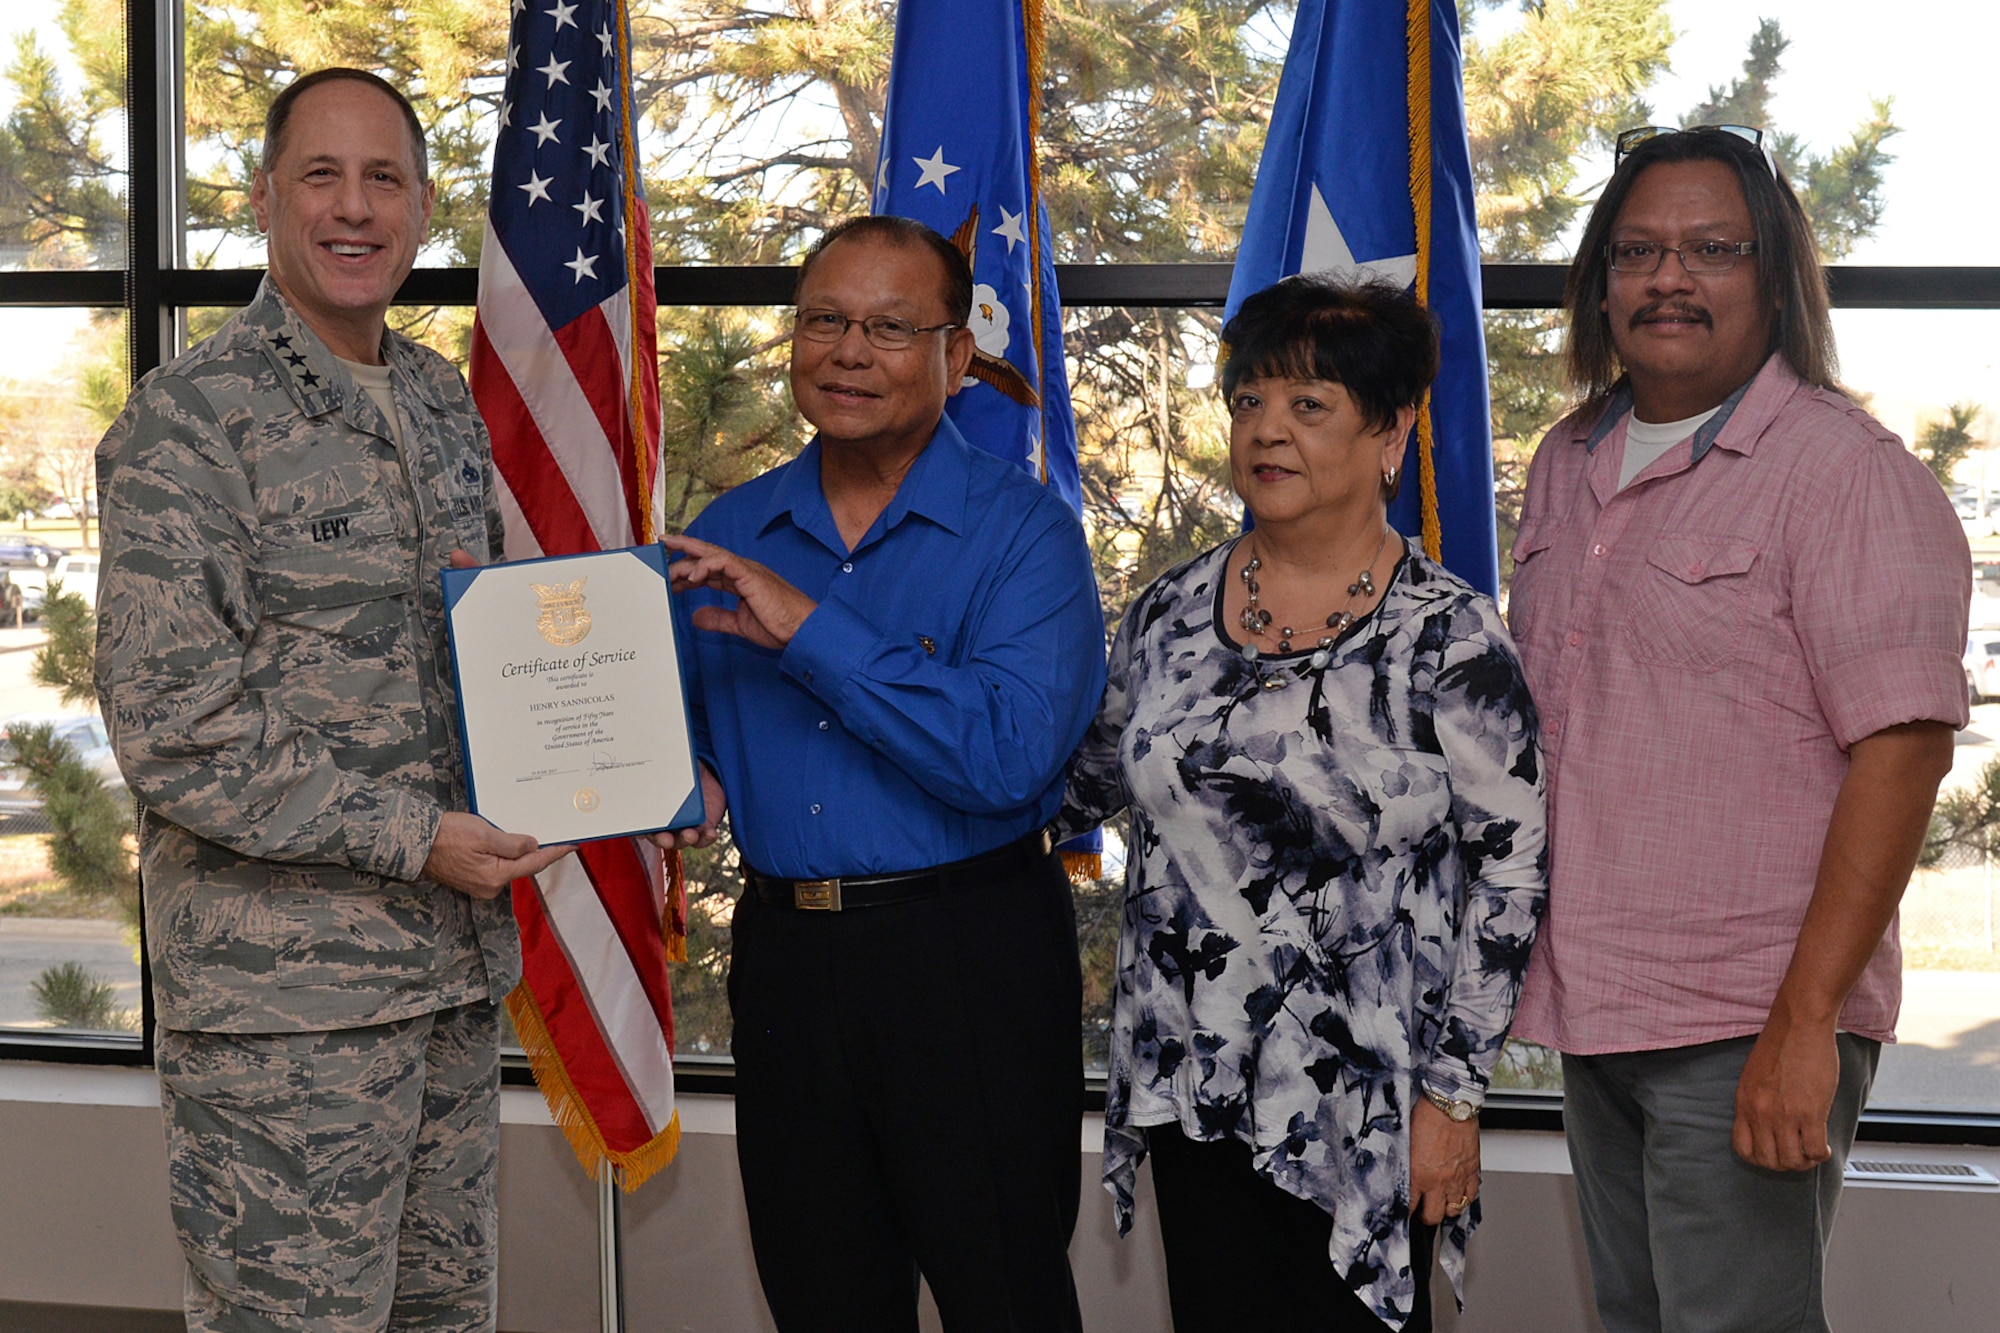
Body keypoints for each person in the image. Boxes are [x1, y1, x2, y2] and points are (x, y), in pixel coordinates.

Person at [95, 68, 570, 1331]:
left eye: (384, 180)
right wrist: (417, 835)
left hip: (448, 987)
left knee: (440, 1321)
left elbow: (486, 664)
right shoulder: (189, 422)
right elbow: (171, 727)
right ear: (264, 200)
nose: (354, 208)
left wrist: (616, 767)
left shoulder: (435, 402)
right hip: (283, 1020)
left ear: (420, 209)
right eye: (322, 175)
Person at [1507, 124, 1971, 1332]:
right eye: (1636, 251)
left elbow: (1903, 746)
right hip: (1595, 1003)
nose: (1667, 278)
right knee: (1638, 1316)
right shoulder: (1566, 459)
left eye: (1709, 249)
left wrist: (1802, 1024)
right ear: (1598, 281)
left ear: (1771, 275)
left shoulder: (1844, 473)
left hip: (1746, 1015)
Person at [1054, 274, 1547, 1332]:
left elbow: (1509, 874)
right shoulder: (1168, 611)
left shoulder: (1448, 635)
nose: (1264, 432)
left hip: (1370, 1105)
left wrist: (1453, 1097)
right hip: (1195, 1085)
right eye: (1245, 403)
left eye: (1306, 406)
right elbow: (1080, 785)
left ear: (1391, 431)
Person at [658, 215, 1106, 1332]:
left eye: (890, 328)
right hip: (788, 963)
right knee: (820, 1300)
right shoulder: (729, 528)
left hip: (968, 956)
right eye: (823, 320)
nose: (847, 350)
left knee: (1005, 1297)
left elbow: (1006, 756)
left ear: (957, 358)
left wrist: (811, 627)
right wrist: (676, 780)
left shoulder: (1024, 536)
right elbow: (690, 736)